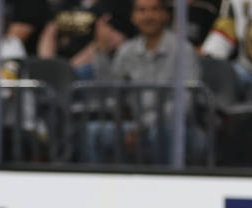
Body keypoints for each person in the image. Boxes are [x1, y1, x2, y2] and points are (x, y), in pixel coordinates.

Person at [86, 0, 204, 164]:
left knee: (161, 132)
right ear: (133, 17)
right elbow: (111, 95)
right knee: (93, 132)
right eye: (141, 10)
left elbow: (184, 104)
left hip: (176, 128)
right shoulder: (127, 51)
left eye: (154, 10)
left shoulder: (183, 50)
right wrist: (102, 52)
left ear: (165, 15)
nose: (148, 16)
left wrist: (143, 127)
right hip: (136, 127)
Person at [38, 0, 136, 79]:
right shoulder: (66, 4)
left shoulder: (115, 4)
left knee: (83, 72)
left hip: (93, 66)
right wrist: (49, 67)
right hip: (61, 65)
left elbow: (109, 40)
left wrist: (68, 69)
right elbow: (49, 33)